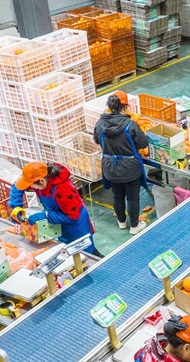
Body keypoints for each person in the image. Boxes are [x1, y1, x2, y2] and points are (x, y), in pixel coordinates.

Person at [8, 162, 98, 255]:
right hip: (58, 218)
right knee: (65, 249)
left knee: (83, 254)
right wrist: (17, 208)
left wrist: (46, 215)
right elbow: (17, 187)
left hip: (75, 225)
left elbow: (71, 216)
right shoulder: (37, 177)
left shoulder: (63, 190)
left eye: (32, 185)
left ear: (42, 181)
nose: (30, 187)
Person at [93, 91, 150, 235]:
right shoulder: (130, 125)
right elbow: (143, 144)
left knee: (117, 195)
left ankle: (122, 222)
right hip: (130, 168)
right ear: (124, 107)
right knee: (132, 198)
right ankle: (135, 226)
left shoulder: (100, 124)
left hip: (109, 167)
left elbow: (96, 140)